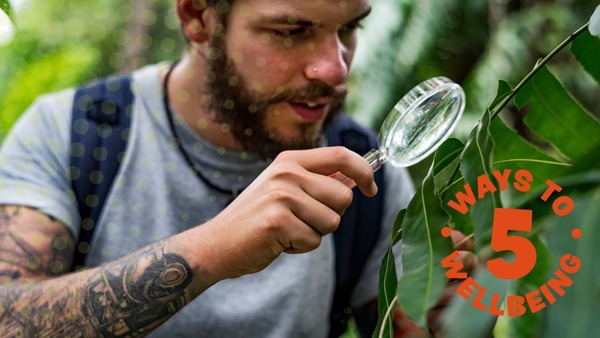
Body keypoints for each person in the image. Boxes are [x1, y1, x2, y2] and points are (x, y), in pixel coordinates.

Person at [0, 0, 473, 337]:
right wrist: (214, 249)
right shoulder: (76, 133)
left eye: (350, 29)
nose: (334, 69)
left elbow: (410, 323)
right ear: (198, 18)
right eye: (292, 32)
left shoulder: (365, 166)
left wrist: (460, 307)